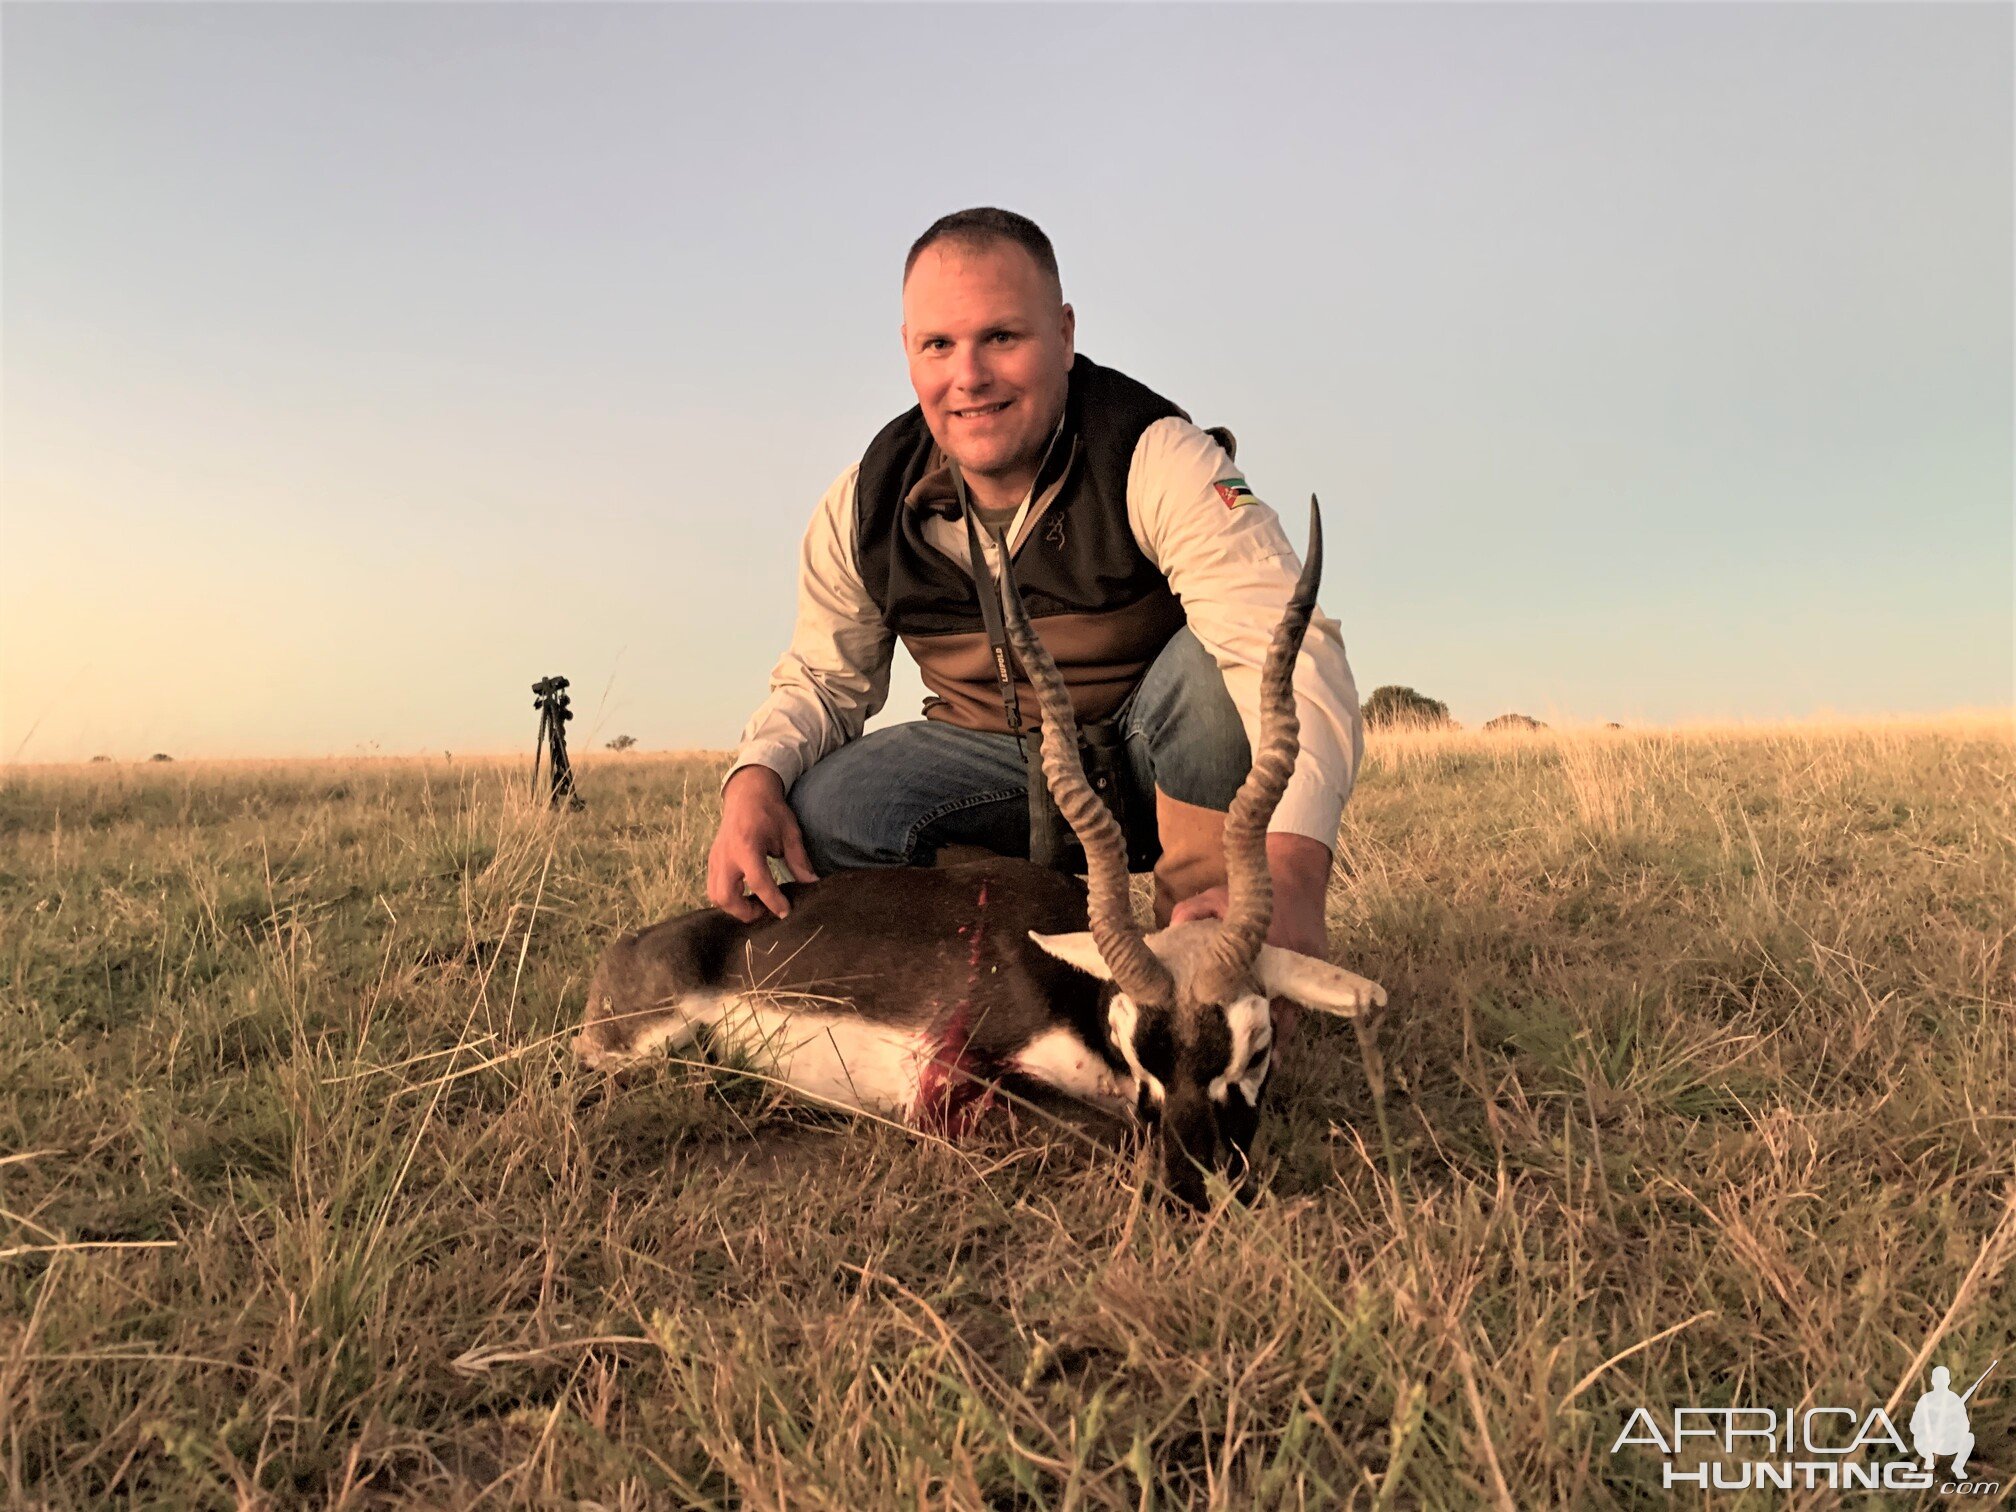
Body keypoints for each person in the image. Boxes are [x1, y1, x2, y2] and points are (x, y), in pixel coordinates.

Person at [705, 207, 1363, 995]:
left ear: (1064, 333)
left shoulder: (1159, 454)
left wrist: (1291, 876)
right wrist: (752, 777)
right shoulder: (863, 504)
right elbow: (821, 679)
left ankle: (1206, 959)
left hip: (1157, 752)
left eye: (1003, 338)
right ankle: (1010, 954)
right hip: (999, 764)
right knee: (828, 807)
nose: (969, 377)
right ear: (908, 353)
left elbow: (1284, 647)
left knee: (1219, 673)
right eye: (939, 345)